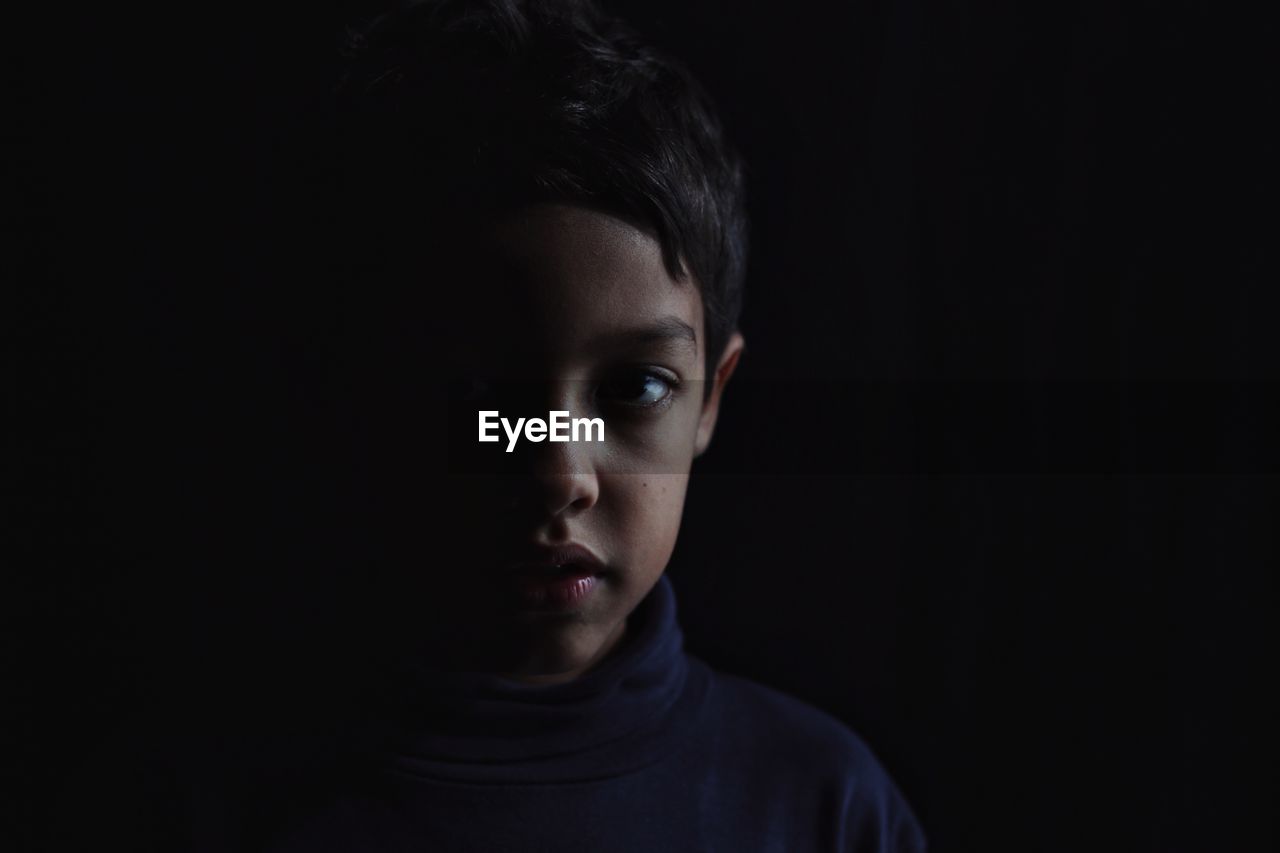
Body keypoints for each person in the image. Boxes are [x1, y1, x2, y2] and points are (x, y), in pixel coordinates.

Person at [57, 1, 926, 850]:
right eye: (483, 391)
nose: (557, 471)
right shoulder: (192, 802)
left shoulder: (825, 807)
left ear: (711, 399)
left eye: (635, 386)